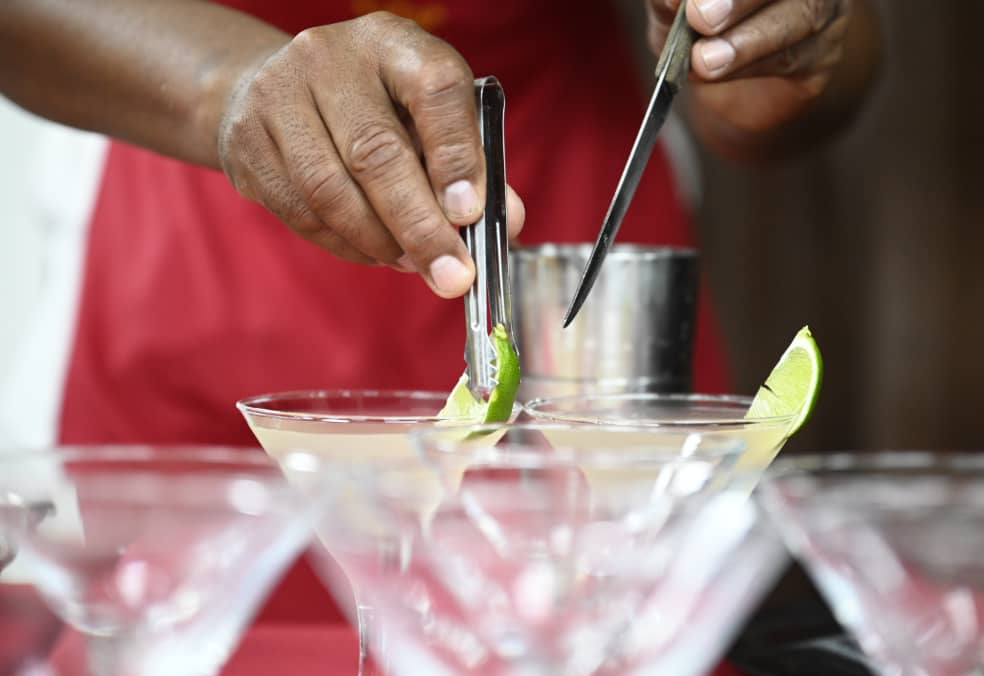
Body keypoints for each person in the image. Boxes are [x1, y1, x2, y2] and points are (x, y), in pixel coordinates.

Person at [0, 0, 879, 621]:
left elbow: (817, 72)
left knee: (595, 651)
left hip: (570, 258)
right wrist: (227, 86)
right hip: (202, 238)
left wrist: (779, 48)